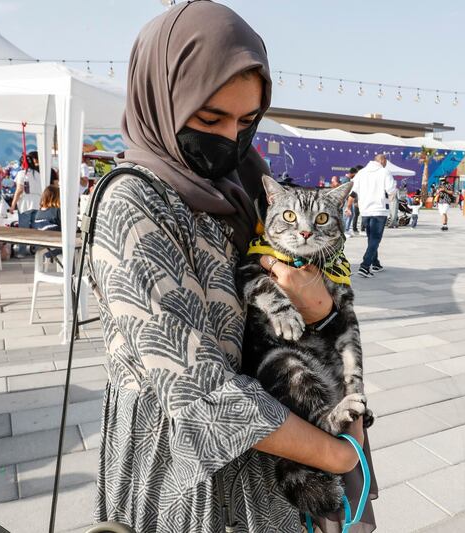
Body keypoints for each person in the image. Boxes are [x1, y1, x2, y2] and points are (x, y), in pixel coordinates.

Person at [89, 4, 375, 532]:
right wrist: (337, 456)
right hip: (182, 467)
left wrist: (319, 306)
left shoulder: (243, 186)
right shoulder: (132, 204)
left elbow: (317, 303)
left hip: (280, 450)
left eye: (246, 121)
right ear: (164, 98)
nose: (230, 138)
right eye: (209, 118)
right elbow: (195, 390)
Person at [347, 154, 395, 277]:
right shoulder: (385, 172)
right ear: (383, 161)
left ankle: (376, 263)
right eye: (385, 162)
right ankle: (365, 266)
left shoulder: (361, 173)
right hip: (379, 210)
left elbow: (353, 191)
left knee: (371, 238)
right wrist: (391, 199)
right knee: (375, 239)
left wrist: (348, 207)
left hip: (365, 211)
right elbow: (391, 191)